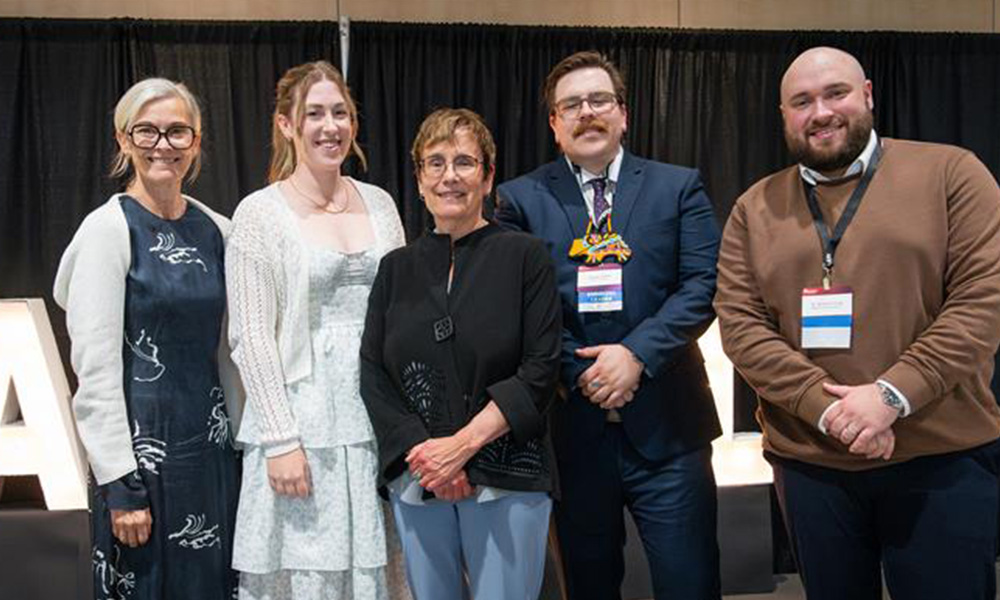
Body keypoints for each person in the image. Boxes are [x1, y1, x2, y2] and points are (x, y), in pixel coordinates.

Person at [714, 46, 1000, 600]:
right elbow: (742, 328)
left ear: (867, 94)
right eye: (801, 101)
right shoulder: (755, 207)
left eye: (835, 93)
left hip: (942, 460)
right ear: (783, 115)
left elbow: (982, 301)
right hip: (811, 466)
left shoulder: (951, 173)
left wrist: (890, 396)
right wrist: (831, 412)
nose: (820, 112)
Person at [496, 51, 723, 599]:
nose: (587, 113)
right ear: (554, 123)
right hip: (575, 433)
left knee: (691, 585)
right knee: (590, 586)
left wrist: (635, 356)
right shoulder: (519, 201)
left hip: (671, 433)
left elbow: (703, 285)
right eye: (571, 105)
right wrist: (585, 375)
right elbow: (521, 306)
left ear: (623, 113)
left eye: (599, 100)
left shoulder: (679, 187)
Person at [360, 108, 561, 600]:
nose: (450, 176)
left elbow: (540, 368)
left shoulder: (525, 257)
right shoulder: (394, 269)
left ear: (489, 177)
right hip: (418, 474)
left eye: (465, 162)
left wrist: (463, 449)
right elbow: (373, 372)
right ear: (420, 179)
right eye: (436, 162)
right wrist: (430, 457)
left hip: (506, 472)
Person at [226, 61, 408, 600]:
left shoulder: (380, 203)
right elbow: (251, 335)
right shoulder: (259, 214)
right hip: (302, 425)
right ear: (286, 125)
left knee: (381, 566)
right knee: (307, 572)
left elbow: (403, 314)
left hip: (376, 418)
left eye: (339, 113)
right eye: (314, 114)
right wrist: (281, 440)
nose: (330, 126)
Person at [53, 77, 241, 600]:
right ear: (123, 139)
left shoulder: (218, 231)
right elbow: (93, 370)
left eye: (178, 132)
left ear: (197, 142)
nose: (163, 145)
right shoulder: (107, 231)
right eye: (148, 131)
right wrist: (118, 482)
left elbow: (232, 354)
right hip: (141, 465)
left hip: (212, 459)